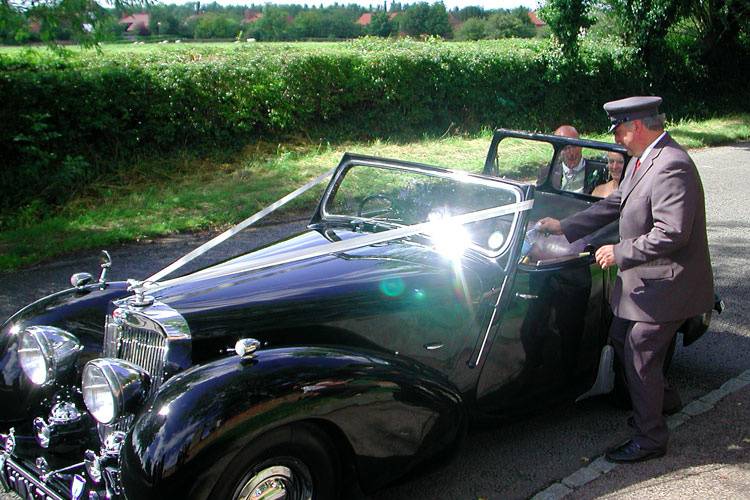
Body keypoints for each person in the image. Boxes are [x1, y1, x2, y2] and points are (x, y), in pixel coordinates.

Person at [536, 96, 714, 463]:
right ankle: (663, 400)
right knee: (619, 338)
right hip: (648, 281)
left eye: (618, 130)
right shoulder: (643, 159)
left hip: (670, 283)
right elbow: (615, 204)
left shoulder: (671, 165)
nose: (616, 139)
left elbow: (672, 233)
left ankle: (650, 438)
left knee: (640, 351)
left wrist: (620, 251)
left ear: (635, 126)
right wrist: (566, 227)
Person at [545, 125, 606, 194]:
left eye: (574, 146)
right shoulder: (547, 173)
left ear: (581, 145)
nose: (571, 153)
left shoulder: (600, 172)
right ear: (557, 151)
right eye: (565, 148)